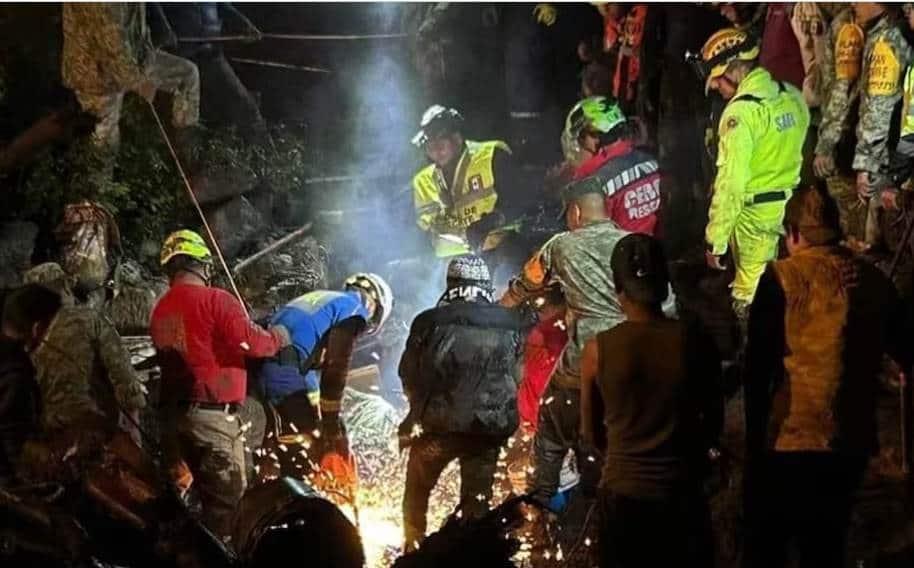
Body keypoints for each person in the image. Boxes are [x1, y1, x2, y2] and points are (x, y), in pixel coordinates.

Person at [742, 187, 910, 568]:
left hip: (790, 440)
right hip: (848, 442)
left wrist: (754, 446)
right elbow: (906, 349)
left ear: (793, 233)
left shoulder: (781, 279)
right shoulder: (871, 281)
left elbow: (757, 371)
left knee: (768, 546)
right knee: (825, 546)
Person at [502, 176, 675, 508]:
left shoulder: (561, 245)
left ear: (576, 212)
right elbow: (667, 304)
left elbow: (527, 283)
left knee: (550, 426)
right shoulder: (635, 245)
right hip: (640, 361)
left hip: (585, 364)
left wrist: (500, 306)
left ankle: (541, 501)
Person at [580, 233, 722, 568]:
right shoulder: (695, 340)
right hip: (682, 496)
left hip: (624, 498)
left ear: (618, 288)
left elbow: (591, 434)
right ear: (665, 284)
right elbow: (713, 421)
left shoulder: (597, 351)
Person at [149, 230, 288, 540]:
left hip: (176, 421)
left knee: (195, 500)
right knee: (229, 509)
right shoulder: (216, 300)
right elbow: (252, 343)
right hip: (213, 420)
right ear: (201, 264)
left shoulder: (160, 309)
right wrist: (277, 337)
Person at [399, 255, 523, 550]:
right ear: (485, 285)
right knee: (476, 503)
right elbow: (518, 375)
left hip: (437, 429)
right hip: (488, 431)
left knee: (417, 491)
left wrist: (415, 413)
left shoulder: (428, 320)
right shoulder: (511, 322)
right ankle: (473, 555)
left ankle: (412, 548)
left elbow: (408, 373)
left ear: (451, 284)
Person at [698, 27, 810, 317]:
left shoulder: (740, 114)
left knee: (751, 300)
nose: (716, 88)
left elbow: (731, 185)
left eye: (718, 79)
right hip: (795, 212)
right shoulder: (791, 95)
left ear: (734, 71)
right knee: (794, 290)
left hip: (755, 221)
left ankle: (756, 345)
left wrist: (715, 241)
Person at [258, 272, 393, 488]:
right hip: (282, 372)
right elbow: (335, 369)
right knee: (303, 448)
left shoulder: (324, 300)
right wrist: (331, 425)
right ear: (374, 307)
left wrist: (328, 419)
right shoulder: (354, 311)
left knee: (303, 436)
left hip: (271, 368)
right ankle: (302, 500)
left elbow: (309, 372)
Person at [1, 284, 146, 482]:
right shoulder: (90, 319)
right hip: (81, 437)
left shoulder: (22, 354)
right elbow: (122, 373)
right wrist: (131, 422)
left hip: (59, 437)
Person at [62, 3, 200, 192]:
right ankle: (97, 195)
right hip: (95, 71)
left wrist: (157, 38)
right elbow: (113, 46)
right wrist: (139, 82)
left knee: (187, 75)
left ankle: (188, 156)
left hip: (133, 59)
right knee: (105, 138)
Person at [411, 105, 521, 258]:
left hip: (497, 253)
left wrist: (491, 221)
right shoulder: (423, 181)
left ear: (457, 138)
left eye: (440, 144)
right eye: (430, 146)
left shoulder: (491, 156)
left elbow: (520, 202)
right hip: (446, 263)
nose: (436, 151)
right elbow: (420, 234)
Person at [850, 3, 911, 248]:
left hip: (891, 159)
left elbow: (879, 105)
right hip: (901, 155)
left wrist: (867, 164)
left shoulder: (889, 38)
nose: (853, 3)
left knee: (886, 244)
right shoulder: (899, 32)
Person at [562, 96, 662, 236]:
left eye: (580, 138)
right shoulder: (652, 162)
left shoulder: (590, 186)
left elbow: (590, 242)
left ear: (594, 139)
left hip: (626, 249)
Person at [812, 4, 866, 240]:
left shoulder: (849, 26)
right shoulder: (843, 23)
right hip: (850, 140)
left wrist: (827, 144)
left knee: (858, 230)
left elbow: (843, 89)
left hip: (847, 144)